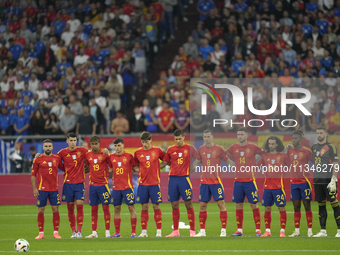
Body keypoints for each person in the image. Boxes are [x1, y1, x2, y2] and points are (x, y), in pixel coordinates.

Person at [35, 133, 109, 238]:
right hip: (68, 184)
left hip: (79, 183)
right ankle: (73, 232)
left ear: (76, 141)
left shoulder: (83, 151)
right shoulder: (62, 153)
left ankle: (79, 232)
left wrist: (104, 150)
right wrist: (39, 155)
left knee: (79, 206)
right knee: (70, 208)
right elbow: (52, 158)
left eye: (74, 140)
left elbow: (95, 152)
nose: (73, 142)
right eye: (71, 140)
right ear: (67, 141)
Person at [191, 129, 235, 237]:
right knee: (202, 206)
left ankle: (223, 230)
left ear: (212, 137)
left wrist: (238, 169)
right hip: (204, 182)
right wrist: (186, 173)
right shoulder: (201, 149)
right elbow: (196, 163)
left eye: (208, 136)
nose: (206, 138)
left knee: (221, 204)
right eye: (204, 137)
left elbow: (228, 161)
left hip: (216, 182)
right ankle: (202, 231)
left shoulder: (219, 149)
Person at [226, 127, 265, 237]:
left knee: (254, 204)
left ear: (247, 136)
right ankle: (239, 230)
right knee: (239, 205)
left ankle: (258, 230)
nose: (240, 136)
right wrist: (230, 163)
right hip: (238, 181)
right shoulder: (234, 147)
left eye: (242, 134)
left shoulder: (253, 147)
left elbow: (265, 154)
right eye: (238, 134)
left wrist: (259, 166)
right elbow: (224, 155)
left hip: (250, 181)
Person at [160, 129, 197, 237]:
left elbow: (199, 159)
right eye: (176, 139)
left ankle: (192, 231)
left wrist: (192, 169)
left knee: (188, 204)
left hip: (184, 179)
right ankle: (176, 231)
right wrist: (148, 167)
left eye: (180, 138)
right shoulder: (170, 149)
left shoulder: (190, 148)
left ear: (183, 137)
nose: (178, 141)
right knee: (174, 204)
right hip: (173, 180)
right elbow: (164, 163)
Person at [134, 131, 165, 237]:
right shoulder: (137, 152)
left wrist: (157, 167)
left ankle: (159, 232)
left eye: (146, 142)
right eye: (143, 142)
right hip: (142, 184)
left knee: (156, 206)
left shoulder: (157, 150)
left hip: (155, 183)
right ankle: (144, 232)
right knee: (144, 207)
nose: (145, 144)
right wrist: (141, 170)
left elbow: (165, 161)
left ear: (151, 140)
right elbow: (135, 166)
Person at [31, 139, 64, 239]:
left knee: (55, 209)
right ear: (43, 147)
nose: (48, 148)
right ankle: (41, 233)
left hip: (54, 189)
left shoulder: (57, 158)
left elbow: (64, 168)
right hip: (42, 189)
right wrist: (34, 189)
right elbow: (33, 174)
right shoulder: (38, 159)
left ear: (52, 147)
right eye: (46, 146)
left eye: (49, 146)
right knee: (41, 210)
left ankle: (56, 233)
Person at [257, 136, 289, 237]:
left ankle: (282, 231)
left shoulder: (283, 156)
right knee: (267, 209)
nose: (271, 146)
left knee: (281, 209)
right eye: (269, 144)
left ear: (277, 144)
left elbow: (292, 166)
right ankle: (267, 231)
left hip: (279, 187)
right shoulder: (265, 157)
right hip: (267, 187)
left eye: (273, 144)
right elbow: (257, 167)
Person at [311, 126, 340, 237]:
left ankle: (339, 230)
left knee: (334, 203)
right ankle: (323, 231)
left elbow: (335, 163)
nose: (319, 135)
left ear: (326, 134)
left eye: (321, 133)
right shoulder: (313, 147)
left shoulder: (331, 147)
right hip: (317, 180)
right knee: (321, 205)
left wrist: (334, 178)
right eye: (317, 133)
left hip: (329, 180)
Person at [109, 138, 139, 238]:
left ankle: (133, 232)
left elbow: (135, 168)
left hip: (128, 187)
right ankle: (117, 233)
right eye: (115, 146)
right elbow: (109, 169)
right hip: (116, 188)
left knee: (131, 208)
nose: (117, 147)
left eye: (119, 145)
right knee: (116, 209)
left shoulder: (129, 156)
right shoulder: (111, 157)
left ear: (123, 145)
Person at [287, 129, 313, 237]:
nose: (293, 140)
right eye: (292, 138)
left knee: (307, 206)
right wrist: (285, 151)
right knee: (296, 207)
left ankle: (310, 231)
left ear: (300, 139)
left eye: (296, 138)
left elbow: (315, 162)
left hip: (304, 182)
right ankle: (297, 231)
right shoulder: (289, 151)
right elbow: (285, 162)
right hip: (293, 183)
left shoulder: (307, 151)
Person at [84, 136, 111, 238]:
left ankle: (107, 232)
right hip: (93, 186)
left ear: (99, 143)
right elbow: (87, 168)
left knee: (105, 208)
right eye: (92, 144)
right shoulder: (88, 155)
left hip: (103, 185)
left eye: (96, 144)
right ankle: (94, 232)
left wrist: (108, 154)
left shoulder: (104, 153)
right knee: (93, 209)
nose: (94, 146)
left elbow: (112, 165)